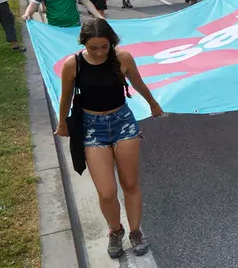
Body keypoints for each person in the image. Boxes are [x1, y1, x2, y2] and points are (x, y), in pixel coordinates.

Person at [56, 19, 163, 259]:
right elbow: (65, 98)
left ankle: (135, 232)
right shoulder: (73, 64)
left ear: (111, 42)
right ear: (84, 44)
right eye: (93, 48)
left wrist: (153, 104)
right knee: (106, 191)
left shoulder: (122, 58)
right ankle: (115, 230)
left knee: (130, 183)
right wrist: (62, 122)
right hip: (92, 128)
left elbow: (139, 84)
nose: (99, 52)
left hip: (122, 122)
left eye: (104, 46)